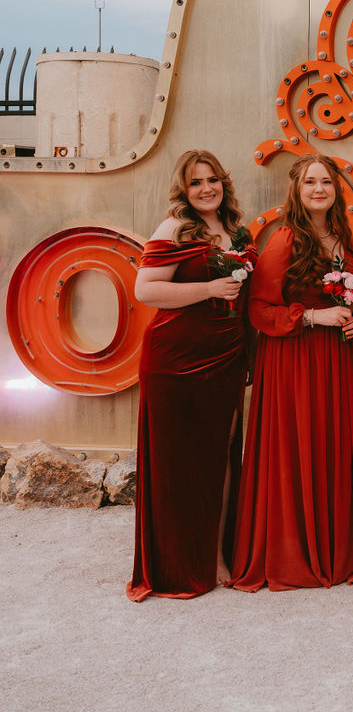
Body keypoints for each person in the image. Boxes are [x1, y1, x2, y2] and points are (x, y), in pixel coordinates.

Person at [228, 153, 353, 590]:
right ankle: (294, 552)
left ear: (336, 190)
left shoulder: (344, 242)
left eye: (326, 182)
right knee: (296, 445)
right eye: (310, 182)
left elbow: (352, 300)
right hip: (294, 358)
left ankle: (334, 550)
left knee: (331, 443)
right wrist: (311, 317)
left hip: (337, 359)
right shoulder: (284, 238)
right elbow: (258, 308)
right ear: (297, 189)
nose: (318, 189)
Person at [128, 150, 254, 600]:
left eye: (212, 180)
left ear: (224, 184)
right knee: (177, 466)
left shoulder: (240, 232)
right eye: (196, 182)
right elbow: (147, 289)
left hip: (225, 360)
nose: (206, 189)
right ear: (184, 190)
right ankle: (176, 565)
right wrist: (208, 288)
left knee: (219, 461)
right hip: (174, 362)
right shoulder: (175, 229)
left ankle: (215, 555)